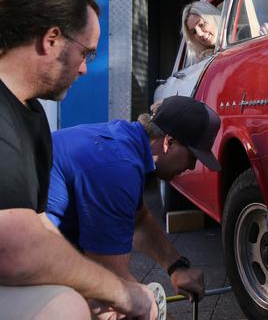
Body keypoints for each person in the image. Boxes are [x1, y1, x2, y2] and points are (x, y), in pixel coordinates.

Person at [0, 0, 157, 320]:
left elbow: (40, 225)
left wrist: (95, 289)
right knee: (63, 307)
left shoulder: (32, 113)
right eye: (86, 52)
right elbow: (15, 250)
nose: (85, 68)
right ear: (52, 39)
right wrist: (122, 292)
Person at [46, 95, 221, 303]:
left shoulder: (128, 142)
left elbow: (139, 221)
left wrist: (176, 267)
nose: (192, 167)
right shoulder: (118, 168)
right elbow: (110, 281)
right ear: (169, 142)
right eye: (192, 157)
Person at [181, 1, 221, 65]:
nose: (200, 34)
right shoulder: (200, 59)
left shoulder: (240, 36)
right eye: (194, 32)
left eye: (202, 25)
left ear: (214, 18)